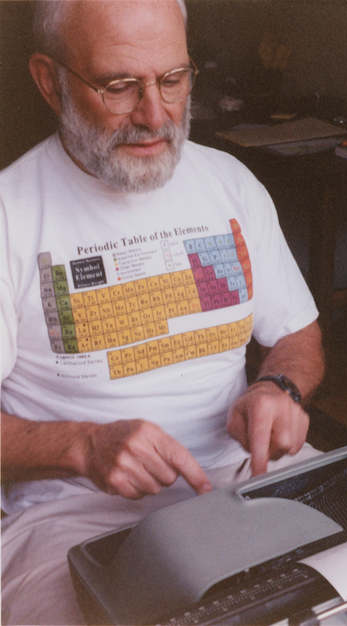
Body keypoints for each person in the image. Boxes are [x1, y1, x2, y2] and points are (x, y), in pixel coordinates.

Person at [1, 0, 325, 623]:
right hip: (74, 520)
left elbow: (297, 336)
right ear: (50, 81)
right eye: (120, 86)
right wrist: (83, 446)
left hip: (248, 481)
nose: (156, 115)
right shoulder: (11, 217)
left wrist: (278, 385)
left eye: (173, 80)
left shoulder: (230, 185)